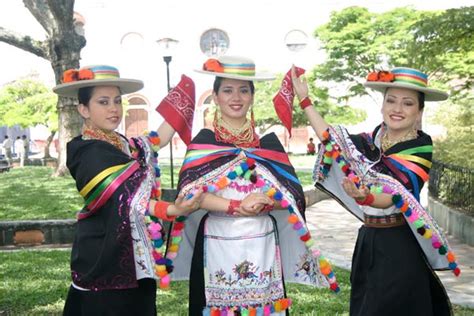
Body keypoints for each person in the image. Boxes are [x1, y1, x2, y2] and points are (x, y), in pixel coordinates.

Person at [168, 56, 339, 315]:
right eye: (227, 90)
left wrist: (267, 199)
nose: (236, 97)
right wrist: (237, 205)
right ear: (215, 96)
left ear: (251, 96)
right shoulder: (204, 142)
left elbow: (291, 197)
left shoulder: (268, 145)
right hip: (216, 241)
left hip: (263, 244)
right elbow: (192, 196)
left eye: (243, 90)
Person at [292, 66, 459, 315]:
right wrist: (305, 101)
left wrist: (367, 197)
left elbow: (395, 195)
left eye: (407, 103)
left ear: (419, 111)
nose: (397, 109)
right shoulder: (370, 142)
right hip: (368, 240)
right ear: (382, 106)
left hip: (400, 245)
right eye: (391, 100)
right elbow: (332, 140)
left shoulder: (419, 149)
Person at [52, 64, 203, 316]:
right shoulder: (88, 152)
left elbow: (158, 139)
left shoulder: (125, 145)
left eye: (117, 101)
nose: (113, 108)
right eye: (103, 102)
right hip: (104, 254)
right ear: (83, 109)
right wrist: (176, 209)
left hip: (135, 255)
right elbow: (131, 200)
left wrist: (184, 96)